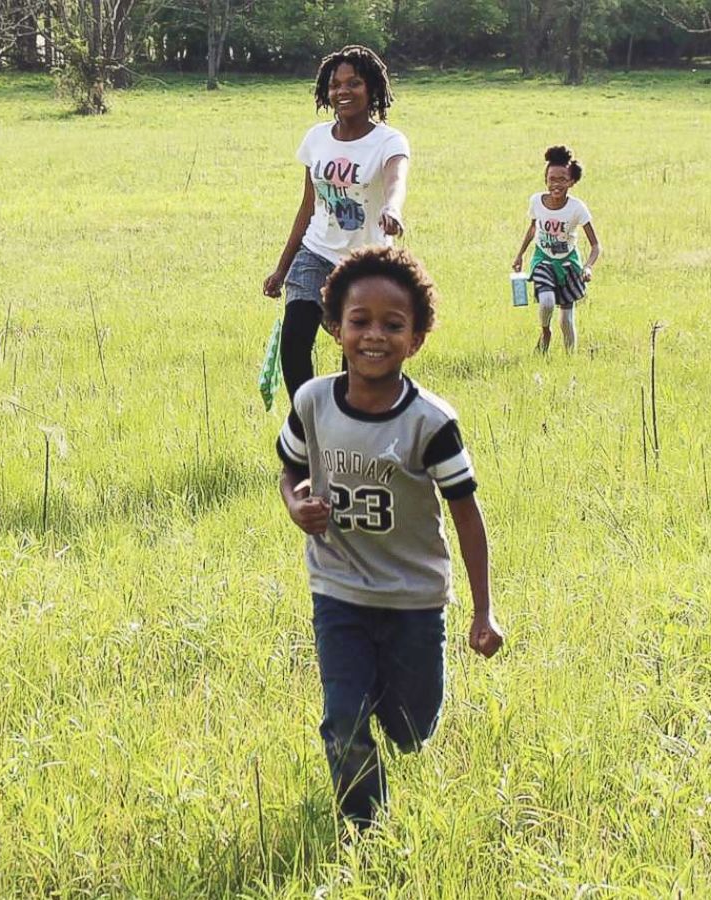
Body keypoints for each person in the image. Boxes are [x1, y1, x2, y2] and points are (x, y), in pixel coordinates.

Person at [275, 247, 504, 830]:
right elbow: (290, 469)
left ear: (417, 338)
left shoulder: (431, 422)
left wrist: (483, 610)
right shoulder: (312, 402)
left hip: (413, 598)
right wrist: (296, 502)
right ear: (335, 328)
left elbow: (466, 515)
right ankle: (366, 829)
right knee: (344, 720)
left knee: (410, 728)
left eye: (393, 324)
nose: (374, 336)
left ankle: (396, 714)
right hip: (339, 588)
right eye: (360, 321)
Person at [263, 45, 411, 402]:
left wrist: (393, 209)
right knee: (295, 338)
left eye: (354, 83)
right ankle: (306, 420)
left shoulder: (389, 141)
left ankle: (350, 420)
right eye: (335, 84)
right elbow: (307, 207)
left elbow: (396, 181)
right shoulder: (316, 139)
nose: (342, 91)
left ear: (372, 89)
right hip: (315, 252)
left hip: (366, 262)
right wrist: (282, 269)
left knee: (357, 352)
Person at [512, 145, 602, 354]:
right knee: (546, 301)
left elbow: (596, 245)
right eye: (552, 179)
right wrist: (520, 255)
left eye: (562, 179)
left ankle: (570, 359)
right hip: (543, 259)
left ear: (571, 181)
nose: (556, 184)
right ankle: (545, 332)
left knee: (566, 321)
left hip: (569, 264)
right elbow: (533, 227)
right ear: (545, 180)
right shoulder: (536, 201)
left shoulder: (577, 208)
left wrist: (588, 267)